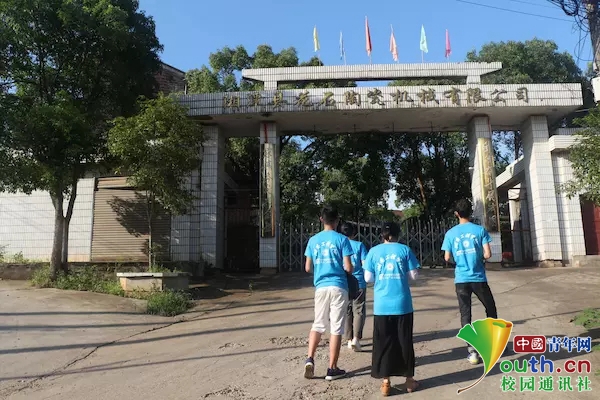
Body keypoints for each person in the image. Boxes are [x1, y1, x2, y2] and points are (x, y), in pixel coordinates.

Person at [364, 222, 420, 396]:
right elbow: (414, 276)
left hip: (382, 305)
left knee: (384, 343)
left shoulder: (373, 252)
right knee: (404, 342)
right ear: (398, 234)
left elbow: (368, 278)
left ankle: (386, 382)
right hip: (402, 304)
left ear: (381, 234)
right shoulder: (404, 250)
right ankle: (409, 381)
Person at [441, 198, 498, 366]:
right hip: (479, 278)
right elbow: (488, 254)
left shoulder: (450, 234)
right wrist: (478, 258)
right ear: (470, 212)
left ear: (456, 214)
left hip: (461, 279)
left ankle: (472, 352)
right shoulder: (480, 230)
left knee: (466, 314)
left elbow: (447, 257)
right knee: (490, 308)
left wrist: (459, 263)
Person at [303, 205, 354, 381]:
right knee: (336, 327)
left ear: (321, 220)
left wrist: (320, 270)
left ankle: (310, 359)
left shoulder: (313, 240)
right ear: (337, 220)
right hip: (339, 286)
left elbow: (307, 267)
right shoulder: (342, 240)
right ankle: (332, 369)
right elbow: (348, 267)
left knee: (318, 324)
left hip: (321, 287)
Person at [340, 222, 368, 352]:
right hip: (359, 282)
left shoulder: (339, 245)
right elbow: (365, 264)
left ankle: (348, 339)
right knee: (359, 310)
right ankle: (356, 339)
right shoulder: (359, 245)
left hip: (344, 282)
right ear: (354, 233)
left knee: (347, 310)